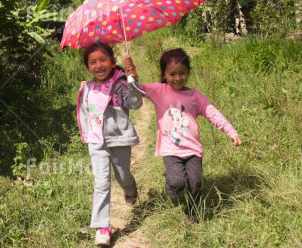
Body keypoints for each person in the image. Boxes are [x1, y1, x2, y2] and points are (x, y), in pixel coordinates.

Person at [125, 48, 242, 223]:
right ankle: (170, 186)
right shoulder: (159, 90)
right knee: (177, 182)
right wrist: (132, 75)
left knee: (195, 183)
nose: (178, 78)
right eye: (172, 74)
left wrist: (231, 131)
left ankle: (192, 213)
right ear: (164, 74)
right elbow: (137, 90)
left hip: (193, 149)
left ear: (188, 72)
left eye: (182, 73)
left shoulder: (195, 96)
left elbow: (212, 113)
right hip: (170, 149)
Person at [77, 42, 142, 246]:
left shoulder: (120, 84)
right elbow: (85, 113)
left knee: (122, 176)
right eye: (93, 62)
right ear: (88, 67)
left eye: (103, 60)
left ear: (113, 62)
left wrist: (132, 80)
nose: (98, 65)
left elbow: (135, 103)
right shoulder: (87, 88)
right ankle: (102, 226)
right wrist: (87, 135)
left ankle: (130, 189)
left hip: (118, 140)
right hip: (96, 142)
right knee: (101, 183)